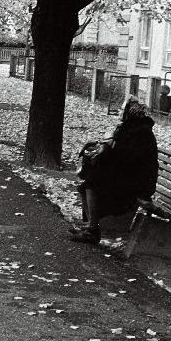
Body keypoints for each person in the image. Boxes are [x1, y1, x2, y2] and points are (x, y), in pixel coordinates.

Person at [69, 95, 158, 245]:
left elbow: (128, 160)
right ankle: (92, 226)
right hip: (131, 178)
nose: (119, 111)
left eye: (122, 109)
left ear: (130, 113)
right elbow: (122, 158)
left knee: (92, 182)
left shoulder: (141, 132)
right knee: (86, 184)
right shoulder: (132, 128)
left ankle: (92, 230)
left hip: (139, 185)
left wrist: (107, 152)